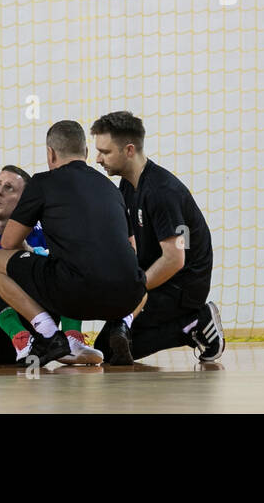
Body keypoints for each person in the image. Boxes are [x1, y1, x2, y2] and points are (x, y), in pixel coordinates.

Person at [0, 121, 147, 369]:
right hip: (128, 296)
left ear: (50, 153)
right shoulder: (111, 188)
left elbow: (8, 242)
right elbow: (132, 250)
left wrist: (36, 256)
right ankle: (121, 326)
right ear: (85, 154)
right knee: (137, 276)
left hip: (75, 294)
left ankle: (50, 336)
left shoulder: (42, 183)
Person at [90, 111, 223, 364]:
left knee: (111, 350)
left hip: (183, 284)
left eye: (105, 152)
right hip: (159, 280)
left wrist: (133, 290)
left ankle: (197, 322)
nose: (98, 159)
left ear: (129, 150)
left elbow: (175, 260)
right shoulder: (128, 186)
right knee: (104, 348)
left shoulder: (162, 192)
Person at [0, 165, 102, 366]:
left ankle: (70, 340)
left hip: (37, 341)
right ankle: (20, 337)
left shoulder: (44, 234)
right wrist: (29, 257)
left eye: (9, 187)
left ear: (24, 201)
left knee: (67, 261)